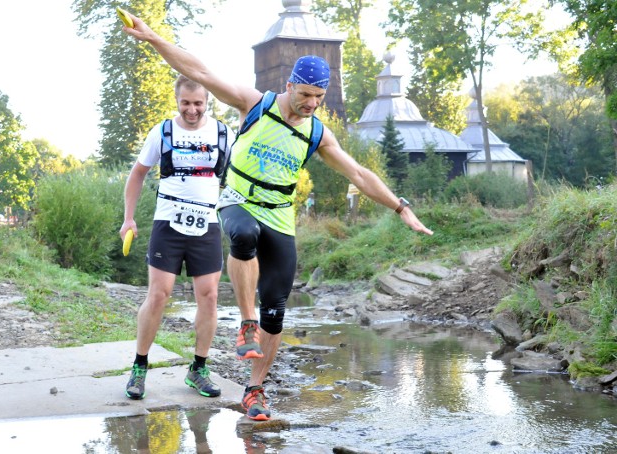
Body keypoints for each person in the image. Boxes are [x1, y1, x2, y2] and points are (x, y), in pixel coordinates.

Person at [121, 13, 434, 420]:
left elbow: (358, 173)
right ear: (289, 85)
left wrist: (400, 206)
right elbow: (197, 70)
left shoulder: (317, 132)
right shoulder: (256, 104)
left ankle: (254, 390)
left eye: (318, 98)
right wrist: (152, 39)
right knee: (243, 236)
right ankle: (244, 321)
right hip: (238, 201)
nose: (310, 104)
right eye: (305, 94)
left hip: (280, 215)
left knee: (278, 309)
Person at [119, 75, 235, 401]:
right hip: (167, 223)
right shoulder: (162, 131)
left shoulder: (224, 133)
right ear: (177, 100)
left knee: (210, 296)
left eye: (198, 103)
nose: (192, 110)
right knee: (158, 294)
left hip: (207, 225)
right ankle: (139, 367)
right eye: (186, 103)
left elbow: (240, 175)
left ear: (207, 102)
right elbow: (137, 174)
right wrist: (128, 218)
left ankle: (198, 369)